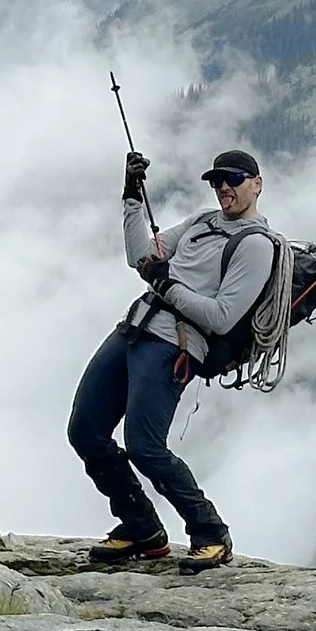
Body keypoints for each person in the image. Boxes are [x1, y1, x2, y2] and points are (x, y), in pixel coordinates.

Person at [66, 146, 277, 574]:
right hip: (134, 328)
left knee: (145, 446)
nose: (224, 188)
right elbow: (140, 256)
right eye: (217, 180)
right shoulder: (202, 221)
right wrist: (131, 195)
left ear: (257, 184)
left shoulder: (257, 245)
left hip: (175, 344)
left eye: (234, 179)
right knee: (85, 430)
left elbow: (222, 316)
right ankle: (142, 527)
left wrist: (166, 285)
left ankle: (210, 533)